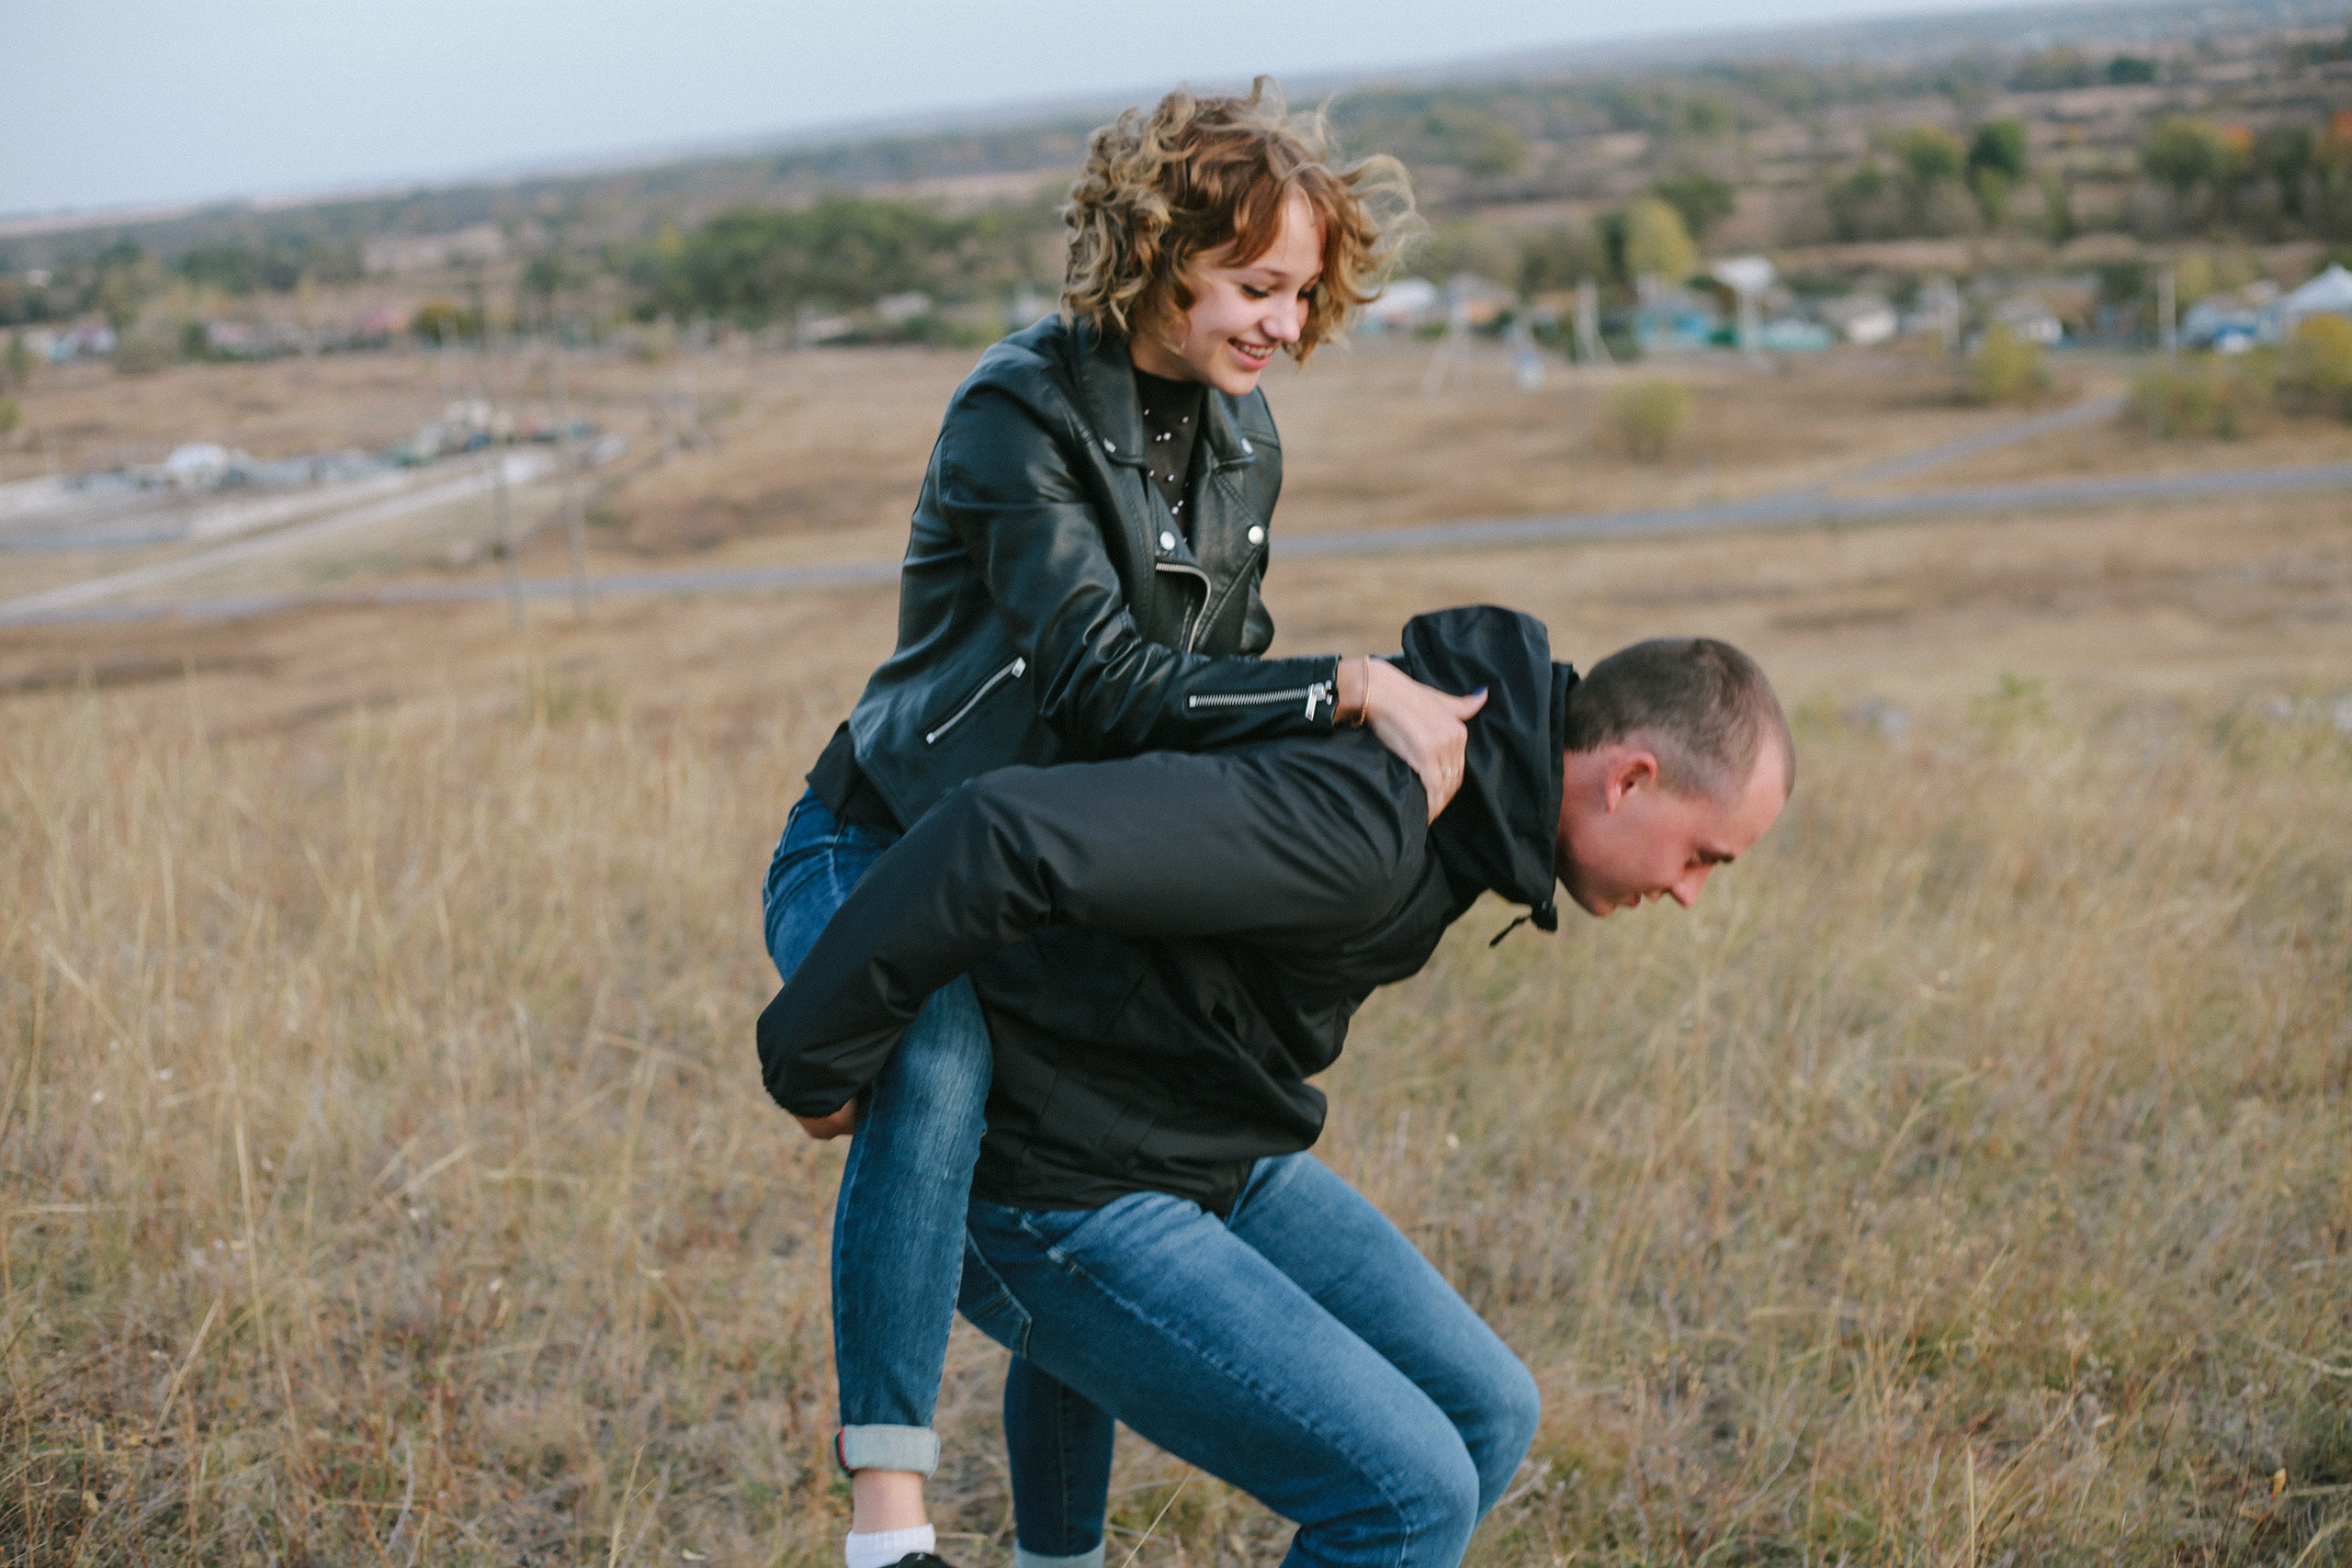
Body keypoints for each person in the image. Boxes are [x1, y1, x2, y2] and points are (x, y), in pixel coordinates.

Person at [761, 82, 1484, 1568]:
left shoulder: (1242, 435)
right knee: (950, 1046)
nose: (1284, 323)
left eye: (1302, 292)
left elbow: (1206, 688)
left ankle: (1056, 1552)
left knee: (1090, 1143)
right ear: (1159, 253)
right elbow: (1101, 682)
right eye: (1255, 284)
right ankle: (887, 1518)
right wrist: (1346, 687)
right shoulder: (1016, 407)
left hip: (1044, 861)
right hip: (888, 837)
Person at [762, 606, 1796, 1568]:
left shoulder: (1469, 799)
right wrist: (813, 1061)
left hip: (1198, 1139)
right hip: (1060, 1186)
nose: (1691, 894)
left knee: (1488, 1414)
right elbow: (1003, 835)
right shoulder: (1363, 823)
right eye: (1704, 856)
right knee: (1410, 1496)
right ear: (1630, 779)